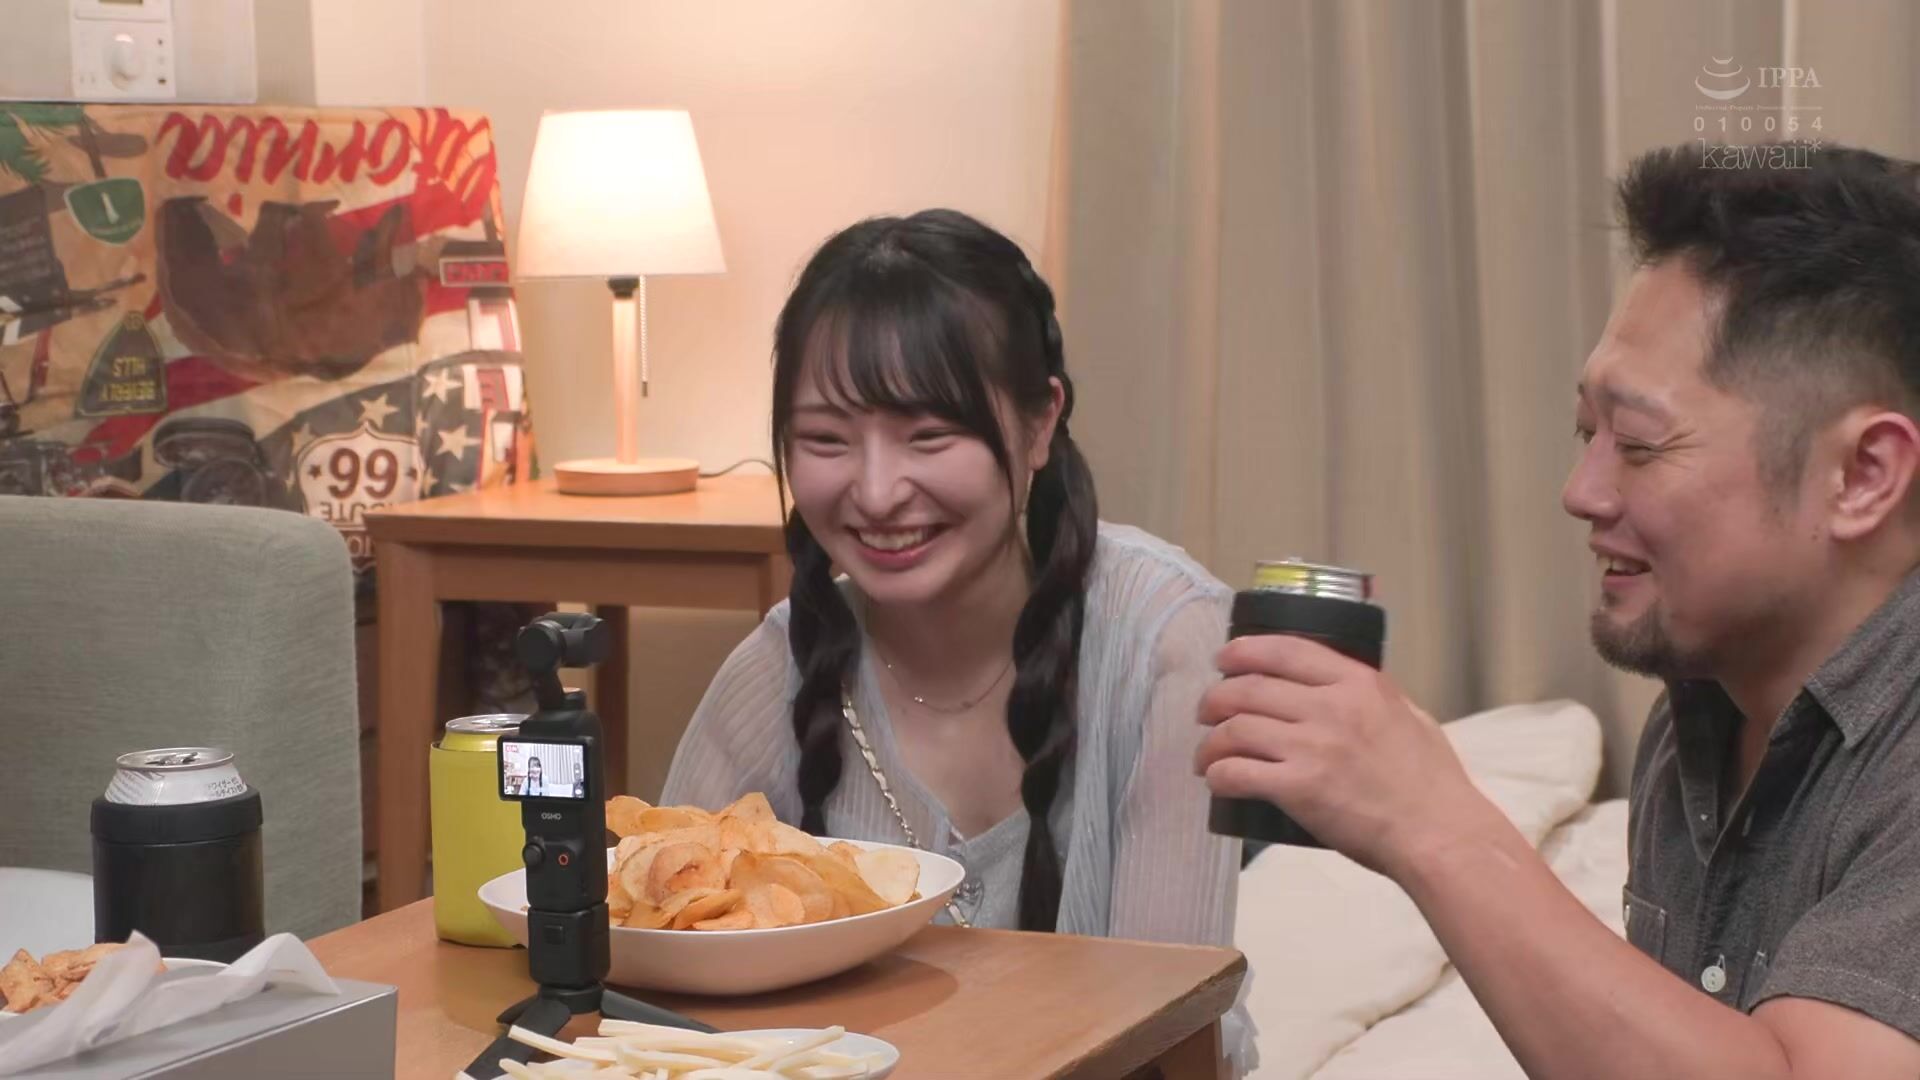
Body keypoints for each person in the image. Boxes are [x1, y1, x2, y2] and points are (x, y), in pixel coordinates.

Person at [1198, 141, 1920, 1077]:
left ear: (1863, 474)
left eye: (1640, 444)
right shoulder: (1699, 716)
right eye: (1587, 433)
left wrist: (1432, 822)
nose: (1581, 492)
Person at [662, 209, 1239, 954]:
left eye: (929, 436)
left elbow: (1176, 1005)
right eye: (827, 440)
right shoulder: (777, 672)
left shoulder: (1166, 642)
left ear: (1040, 425)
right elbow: (660, 957)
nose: (877, 494)